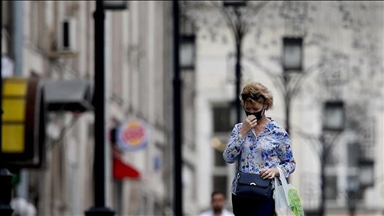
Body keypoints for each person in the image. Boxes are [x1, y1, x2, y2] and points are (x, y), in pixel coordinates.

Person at [223, 81, 296, 216]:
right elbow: (228, 157)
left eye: (255, 109)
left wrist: (276, 171)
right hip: (241, 192)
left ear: (265, 105)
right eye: (247, 109)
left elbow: (290, 163)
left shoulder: (277, 132)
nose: (251, 113)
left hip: (266, 192)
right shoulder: (239, 129)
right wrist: (243, 132)